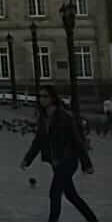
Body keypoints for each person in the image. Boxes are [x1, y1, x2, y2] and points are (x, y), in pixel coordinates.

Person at [20, 85, 98, 222]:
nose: (41, 99)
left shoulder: (64, 116)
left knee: (54, 192)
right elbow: (38, 141)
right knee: (71, 195)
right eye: (39, 97)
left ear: (52, 98)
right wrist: (27, 160)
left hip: (68, 160)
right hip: (55, 162)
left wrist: (87, 164)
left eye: (44, 96)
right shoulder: (43, 118)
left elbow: (77, 140)